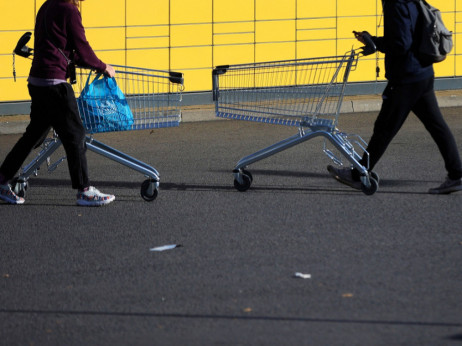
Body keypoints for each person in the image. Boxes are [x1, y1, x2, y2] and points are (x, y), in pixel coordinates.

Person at [328, 0, 462, 194]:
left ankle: (358, 175)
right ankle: (457, 174)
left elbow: (401, 43)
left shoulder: (395, 4)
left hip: (406, 78)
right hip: (422, 73)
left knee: (384, 128)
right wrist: (374, 41)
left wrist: (375, 42)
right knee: (437, 125)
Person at [0, 0, 116, 206]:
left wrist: (81, 61)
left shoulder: (46, 6)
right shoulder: (69, 10)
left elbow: (61, 47)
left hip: (37, 80)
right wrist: (102, 65)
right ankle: (84, 191)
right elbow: (82, 46)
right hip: (55, 84)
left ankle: (1, 180)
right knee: (75, 134)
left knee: (33, 136)